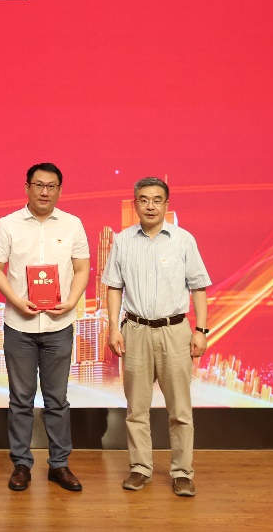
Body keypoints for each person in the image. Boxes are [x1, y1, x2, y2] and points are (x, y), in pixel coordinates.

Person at [104, 177, 211, 497]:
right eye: (143, 200)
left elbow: (199, 287)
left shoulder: (183, 240)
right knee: (136, 409)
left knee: (180, 410)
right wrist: (113, 327)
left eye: (157, 200)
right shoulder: (123, 240)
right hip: (135, 331)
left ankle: (182, 472)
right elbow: (114, 286)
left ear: (166, 204)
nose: (150, 206)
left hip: (175, 332)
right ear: (135, 204)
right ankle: (140, 468)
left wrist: (201, 330)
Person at [0, 162, 90, 493]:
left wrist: (72, 301)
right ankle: (21, 464)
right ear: (27, 187)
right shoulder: (8, 224)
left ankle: (59, 464)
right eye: (39, 185)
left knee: (57, 399)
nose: (45, 192)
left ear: (59, 190)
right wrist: (15, 300)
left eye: (51, 186)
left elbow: (82, 267)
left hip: (59, 324)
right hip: (20, 325)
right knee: (21, 398)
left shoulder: (72, 224)